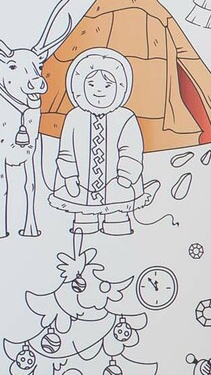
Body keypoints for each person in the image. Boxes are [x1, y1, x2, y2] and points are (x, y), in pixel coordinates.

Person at [50, 46, 153, 248]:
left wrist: (126, 176)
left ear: (120, 87)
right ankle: (85, 231)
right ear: (79, 86)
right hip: (81, 185)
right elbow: (66, 151)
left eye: (107, 85)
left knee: (117, 223)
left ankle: (119, 240)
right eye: (91, 84)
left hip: (117, 185)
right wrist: (69, 176)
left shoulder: (125, 117)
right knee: (83, 226)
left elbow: (131, 150)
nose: (99, 91)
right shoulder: (74, 117)